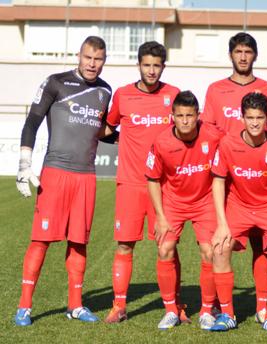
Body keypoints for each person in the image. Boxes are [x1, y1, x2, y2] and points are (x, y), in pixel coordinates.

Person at [14, 36, 112, 326]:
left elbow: (105, 131)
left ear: (104, 61)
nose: (92, 64)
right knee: (41, 240)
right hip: (56, 173)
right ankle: (24, 307)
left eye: (98, 59)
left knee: (79, 243)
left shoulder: (106, 91)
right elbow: (32, 121)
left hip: (87, 176)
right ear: (79, 56)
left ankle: (76, 306)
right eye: (88, 58)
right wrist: (24, 164)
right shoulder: (56, 82)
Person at [100, 41, 186, 324]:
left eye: (157, 65)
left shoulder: (173, 95)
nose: (151, 71)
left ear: (163, 66)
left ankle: (176, 306)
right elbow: (107, 128)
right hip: (131, 184)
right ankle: (119, 306)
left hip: (165, 187)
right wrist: (120, 140)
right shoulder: (123, 95)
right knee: (125, 245)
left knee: (168, 247)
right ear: (139, 65)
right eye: (147, 65)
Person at [202, 32, 267, 323]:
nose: (243, 56)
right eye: (238, 51)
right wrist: (231, 153)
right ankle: (210, 305)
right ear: (231, 55)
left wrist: (250, 154)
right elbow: (209, 132)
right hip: (226, 178)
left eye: (248, 52)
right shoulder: (215, 90)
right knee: (216, 242)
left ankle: (264, 307)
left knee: (262, 247)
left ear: (255, 55)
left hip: (259, 179)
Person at [209, 92, 267, 334]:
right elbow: (218, 181)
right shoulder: (228, 143)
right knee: (218, 248)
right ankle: (227, 314)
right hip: (239, 205)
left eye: (259, 117)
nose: (254, 123)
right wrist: (221, 223)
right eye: (250, 117)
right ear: (242, 117)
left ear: (266, 118)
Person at [145, 91, 225, 330]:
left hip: (205, 201)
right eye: (180, 115)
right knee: (165, 248)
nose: (185, 120)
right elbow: (152, 178)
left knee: (209, 251)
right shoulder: (161, 142)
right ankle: (171, 310)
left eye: (190, 115)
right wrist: (160, 216)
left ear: (198, 115)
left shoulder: (213, 136)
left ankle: (208, 310)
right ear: (172, 117)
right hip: (173, 202)